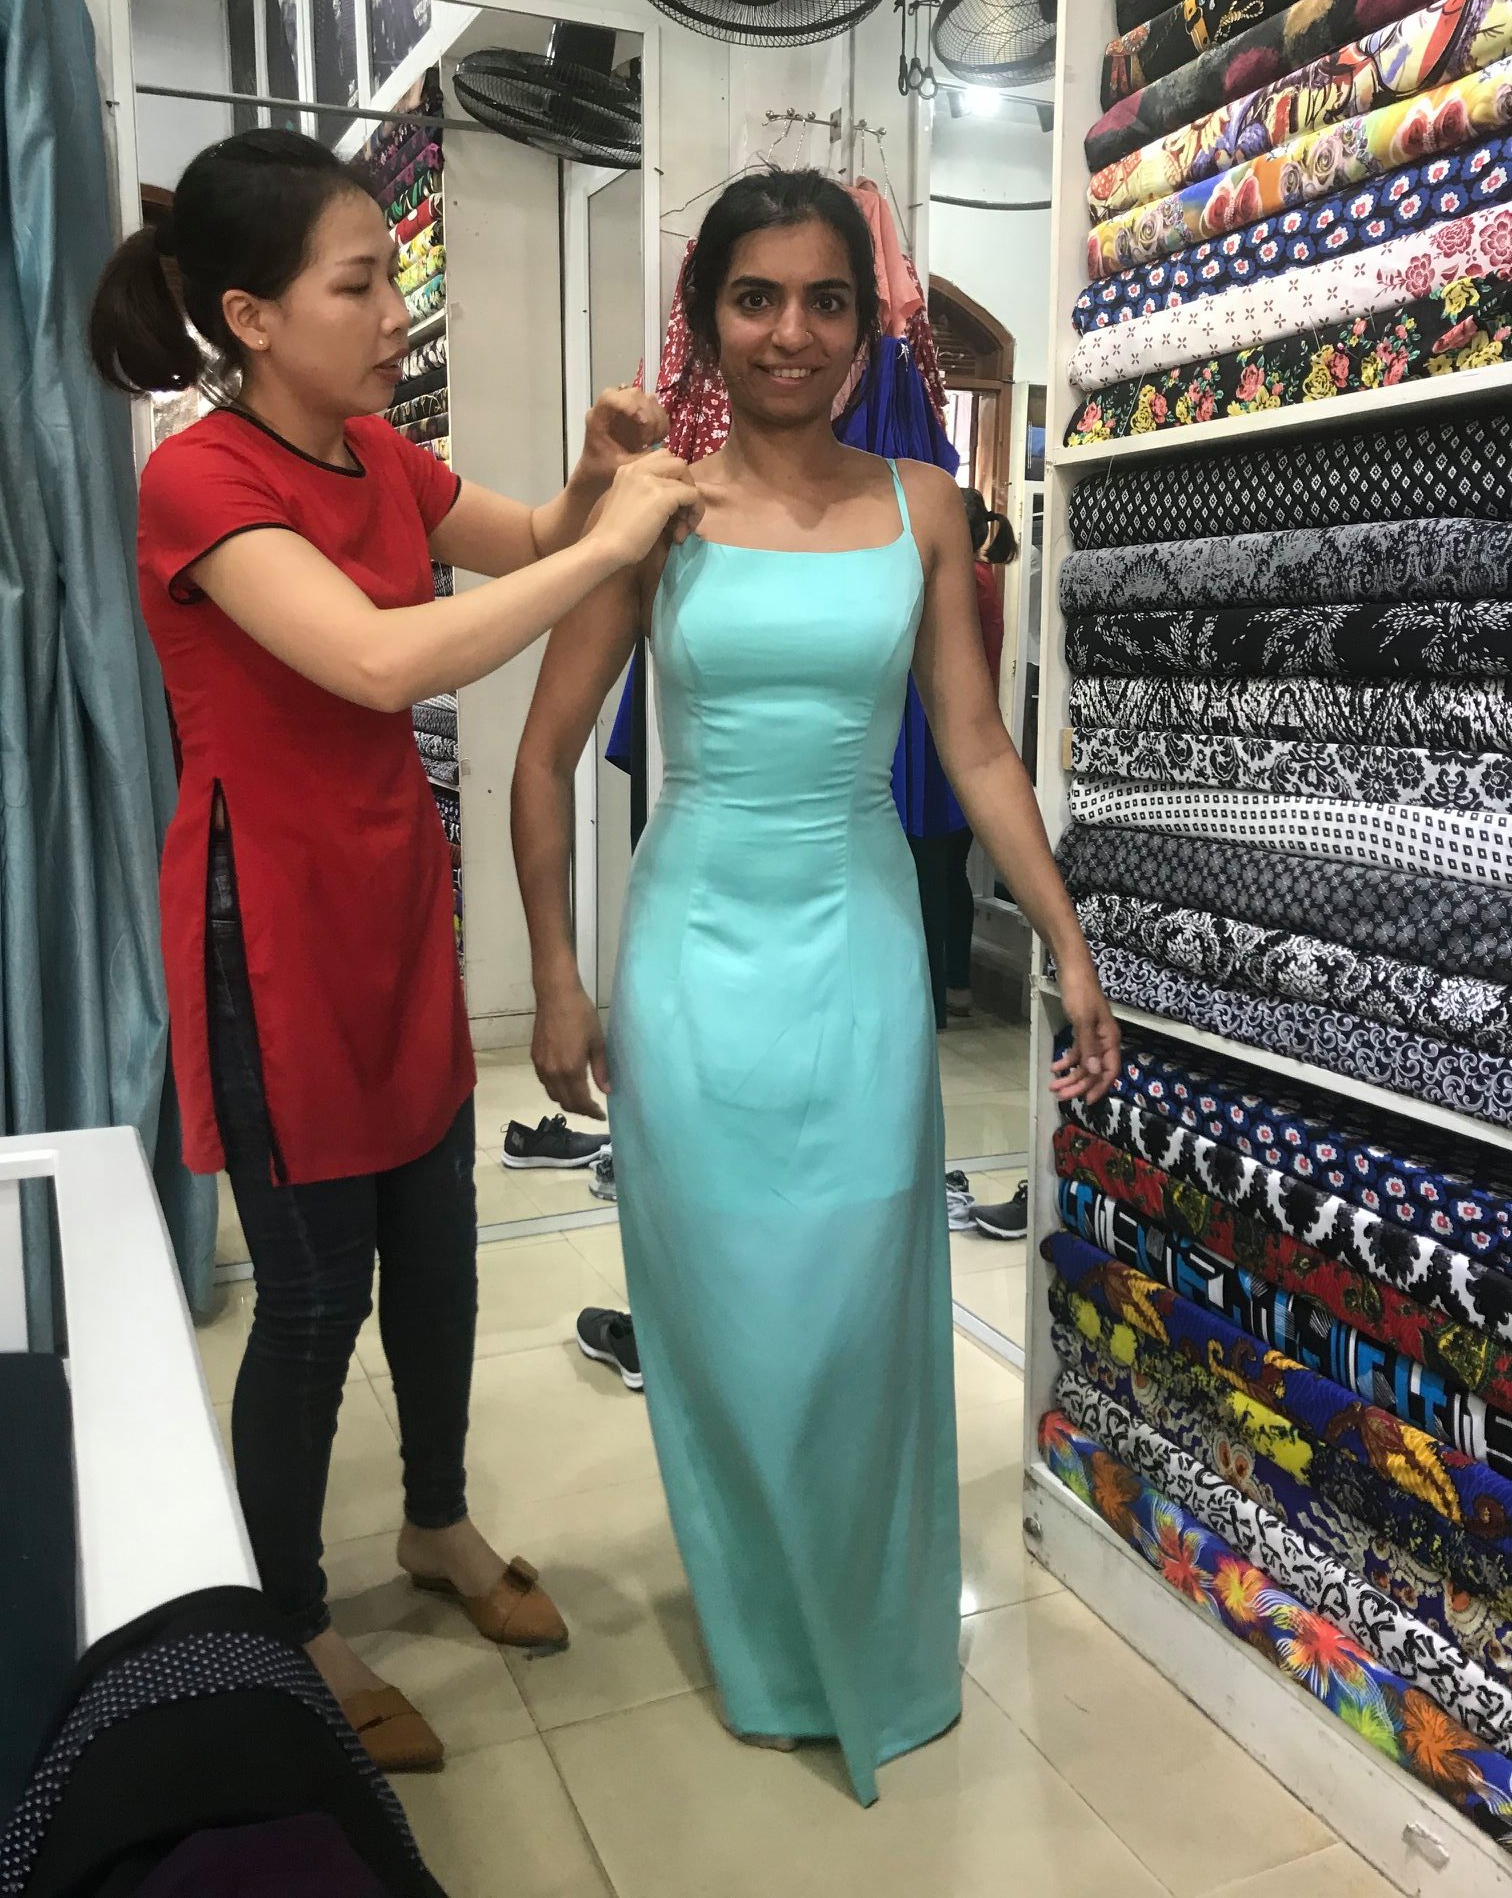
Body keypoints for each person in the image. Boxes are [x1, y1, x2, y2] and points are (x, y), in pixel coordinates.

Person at [89, 128, 699, 1773]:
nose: (391, 314)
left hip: (390, 899)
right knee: (309, 1298)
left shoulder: (381, 456)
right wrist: (611, 548)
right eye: (358, 286)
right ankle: (289, 1614)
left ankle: (435, 1521)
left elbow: (522, 540)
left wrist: (590, 482)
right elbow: (376, 659)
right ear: (251, 316)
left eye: (388, 281)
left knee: (441, 1250)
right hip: (268, 925)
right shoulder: (200, 481)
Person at [511, 168, 1119, 1805]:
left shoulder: (928, 506)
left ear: (868, 325)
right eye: (756, 298)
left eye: (825, 300)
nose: (791, 331)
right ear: (709, 316)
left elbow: (976, 748)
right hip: (695, 952)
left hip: (856, 947)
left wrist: (1066, 945)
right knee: (720, 1311)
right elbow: (545, 753)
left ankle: (870, 1629)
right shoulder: (654, 510)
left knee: (855, 1307)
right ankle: (766, 1634)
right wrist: (559, 978)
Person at [940, 489, 1015, 1021]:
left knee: (939, 868)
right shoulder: (983, 578)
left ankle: (951, 983)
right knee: (950, 870)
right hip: (971, 727)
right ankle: (957, 983)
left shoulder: (969, 581)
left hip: (957, 735)